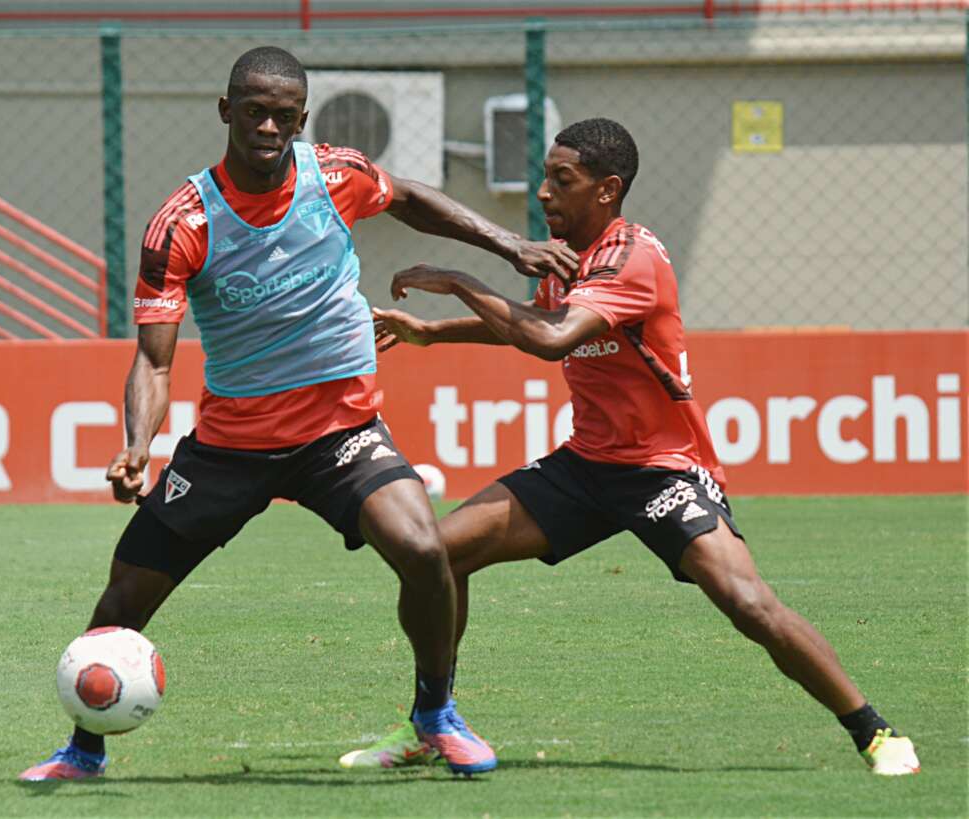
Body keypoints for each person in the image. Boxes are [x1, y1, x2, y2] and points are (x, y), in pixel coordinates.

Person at [19, 46, 579, 782]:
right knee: (126, 593)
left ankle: (436, 714)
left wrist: (509, 243)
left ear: (302, 118)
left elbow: (407, 195)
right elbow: (155, 361)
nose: (269, 126)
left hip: (340, 431)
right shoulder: (182, 223)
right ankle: (82, 747)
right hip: (230, 447)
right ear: (226, 112)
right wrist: (137, 446)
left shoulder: (334, 173)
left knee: (422, 548)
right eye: (254, 111)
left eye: (285, 115)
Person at [339, 118, 920, 776]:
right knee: (437, 555)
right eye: (545, 177)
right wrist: (432, 334)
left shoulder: (631, 256)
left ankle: (873, 729)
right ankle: (431, 721)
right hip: (586, 467)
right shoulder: (568, 258)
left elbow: (553, 339)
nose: (544, 192)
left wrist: (460, 278)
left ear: (607, 189)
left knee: (747, 602)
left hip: (664, 470)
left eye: (563, 180)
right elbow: (537, 322)